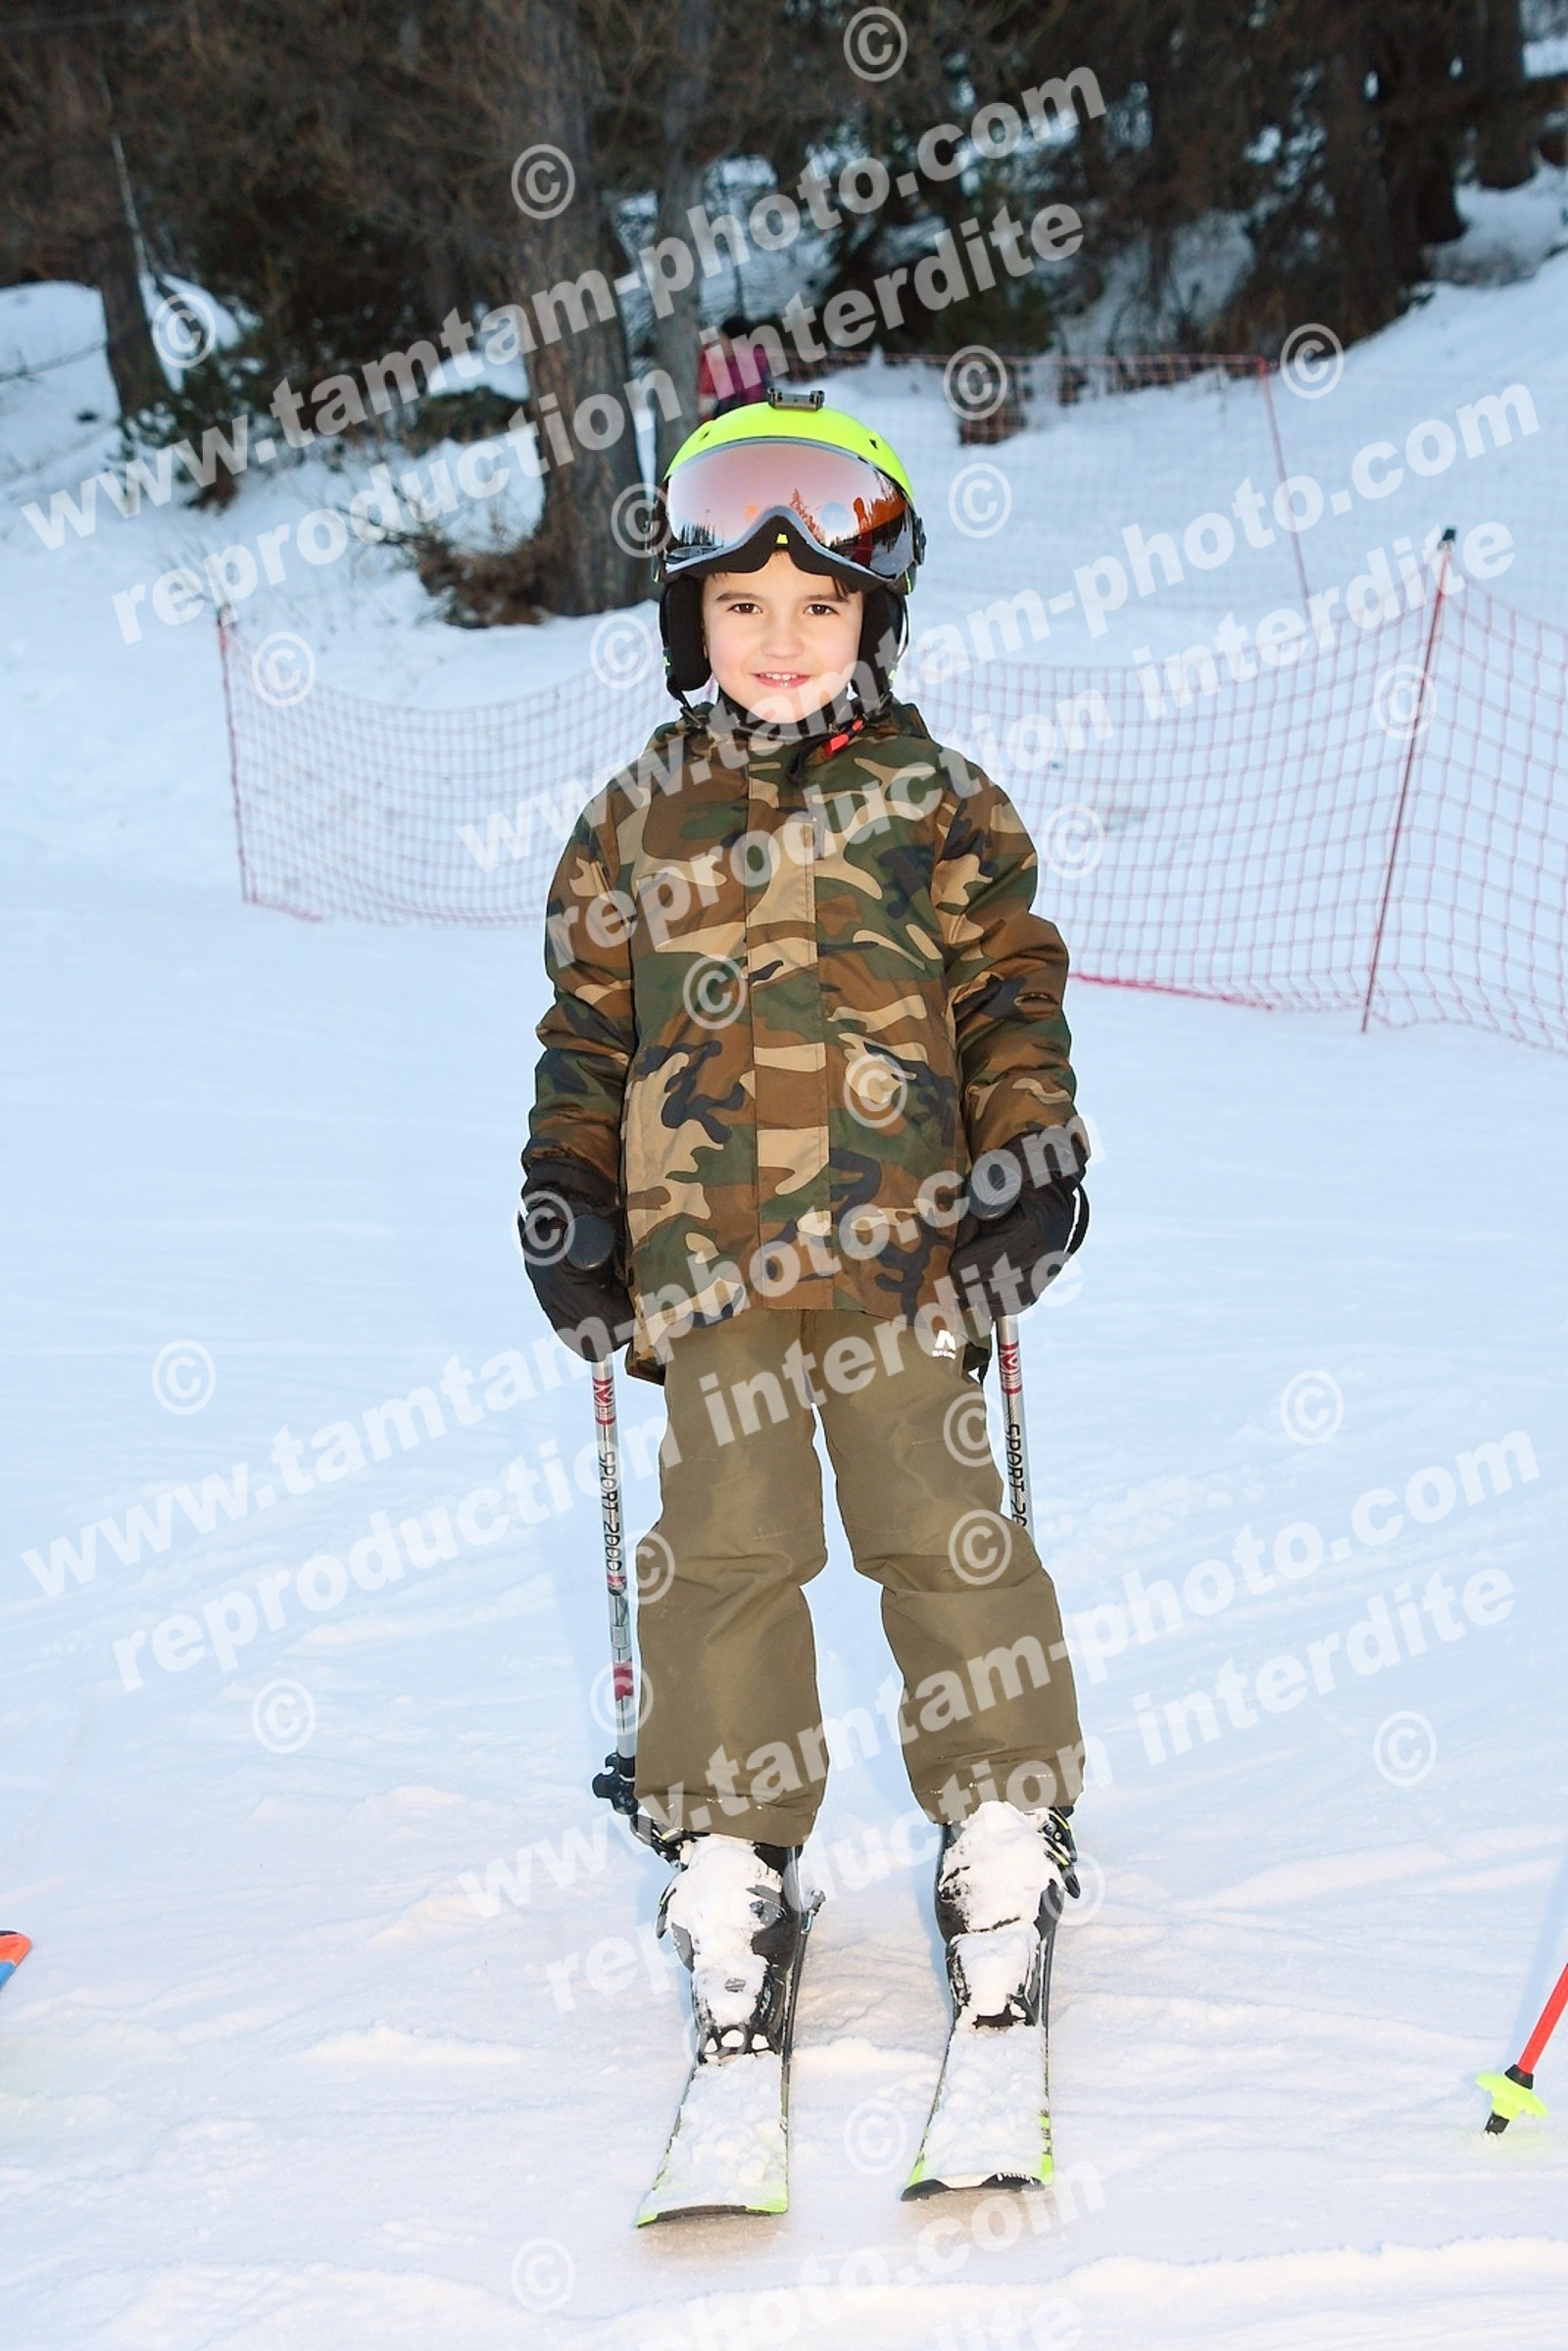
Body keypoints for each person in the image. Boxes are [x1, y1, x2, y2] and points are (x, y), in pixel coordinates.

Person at [518, 388, 1089, 2066]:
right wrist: (566, 1188)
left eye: (821, 605)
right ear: (687, 618)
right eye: (743, 604)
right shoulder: (637, 814)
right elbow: (586, 1029)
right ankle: (730, 1849)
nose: (781, 639)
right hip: (709, 1270)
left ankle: (1003, 1819)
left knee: (944, 1530)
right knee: (725, 1550)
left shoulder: (940, 800)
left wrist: (1033, 1159)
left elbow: (1009, 999)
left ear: (876, 617)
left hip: (912, 1256)